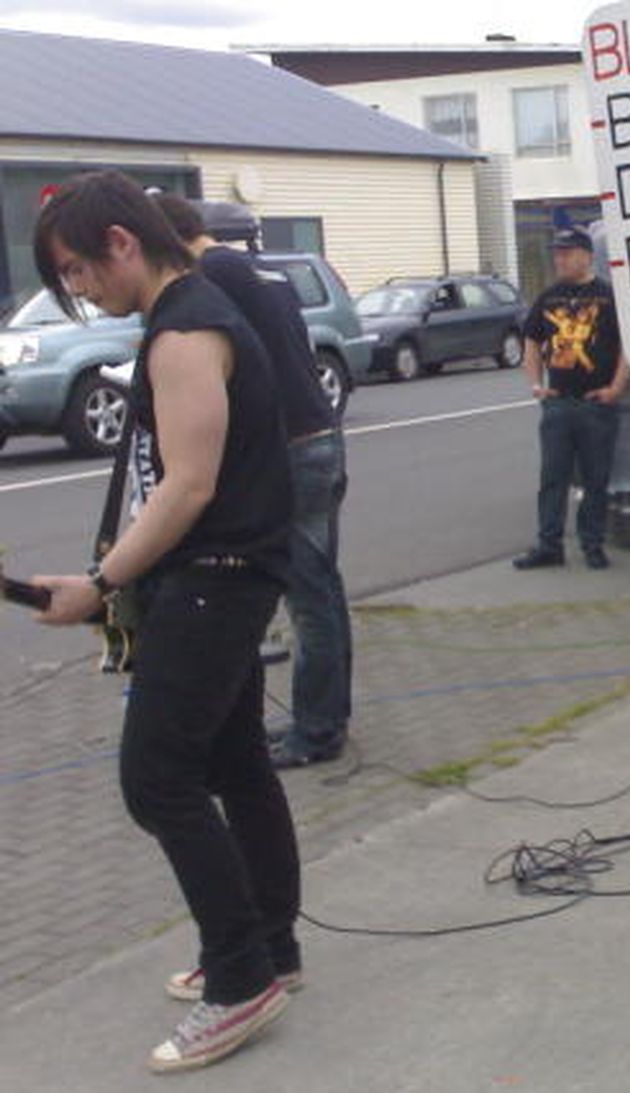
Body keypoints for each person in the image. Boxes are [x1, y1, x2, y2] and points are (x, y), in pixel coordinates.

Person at [28, 170, 300, 1072]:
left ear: (120, 242)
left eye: (76, 270)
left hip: (214, 580)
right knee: (234, 761)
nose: (78, 290)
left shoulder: (185, 330)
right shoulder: (192, 311)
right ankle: (272, 950)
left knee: (157, 779)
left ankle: (239, 979)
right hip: (224, 573)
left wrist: (102, 582)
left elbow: (189, 483)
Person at [152, 194, 353, 769]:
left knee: (307, 597)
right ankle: (327, 714)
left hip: (290, 448)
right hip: (318, 435)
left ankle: (317, 731)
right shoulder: (263, 271)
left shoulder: (210, 278)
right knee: (322, 590)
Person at [513, 226, 630, 571]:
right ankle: (548, 544)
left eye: (566, 253)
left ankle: (592, 543)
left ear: (586, 255)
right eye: (556, 253)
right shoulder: (549, 297)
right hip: (559, 402)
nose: (559, 259)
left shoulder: (607, 297)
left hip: (597, 403)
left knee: (596, 478)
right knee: (553, 477)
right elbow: (531, 341)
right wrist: (536, 385)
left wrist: (616, 388)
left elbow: (629, 345)